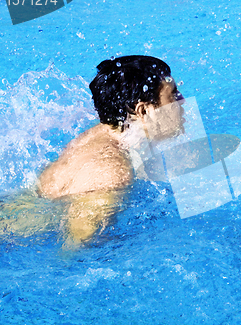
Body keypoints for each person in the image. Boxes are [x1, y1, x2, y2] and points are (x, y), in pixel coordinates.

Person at [36, 55, 185, 248]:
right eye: (173, 95)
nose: (182, 101)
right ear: (144, 111)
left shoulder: (100, 133)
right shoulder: (113, 173)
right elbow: (77, 244)